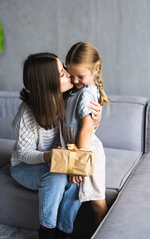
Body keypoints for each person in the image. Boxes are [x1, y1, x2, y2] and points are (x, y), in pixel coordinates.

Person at [10, 52, 102, 239]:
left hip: (58, 159)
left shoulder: (69, 97)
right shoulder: (27, 114)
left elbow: (81, 131)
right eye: (62, 73)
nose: (69, 74)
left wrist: (96, 119)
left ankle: (62, 231)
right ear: (47, 84)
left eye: (64, 68)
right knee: (57, 178)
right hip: (25, 166)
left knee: (77, 177)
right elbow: (23, 154)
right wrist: (48, 156)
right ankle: (46, 232)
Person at [60, 42, 109, 227]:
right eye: (71, 75)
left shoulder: (87, 95)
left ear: (95, 70)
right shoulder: (73, 91)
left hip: (87, 154)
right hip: (74, 152)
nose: (75, 80)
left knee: (96, 201)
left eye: (81, 76)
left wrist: (78, 165)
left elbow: (86, 130)